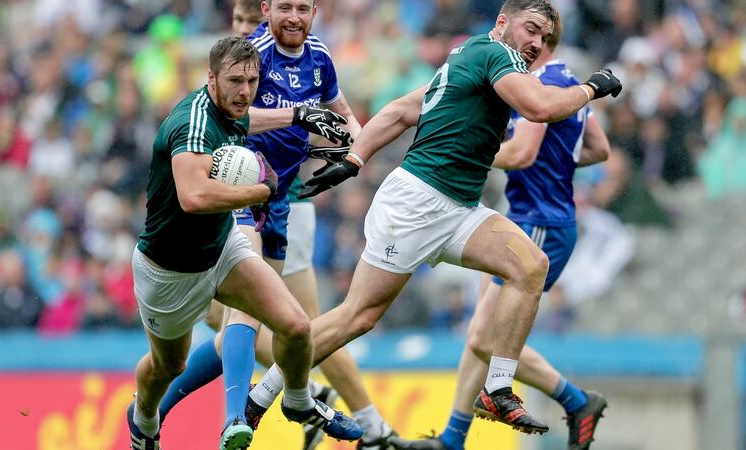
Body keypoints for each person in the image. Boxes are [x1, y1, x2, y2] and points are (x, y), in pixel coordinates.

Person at [252, 0, 622, 437]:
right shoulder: (495, 54)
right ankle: (261, 396)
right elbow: (539, 108)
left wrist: (354, 158)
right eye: (531, 29)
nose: (537, 42)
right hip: (417, 205)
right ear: (502, 22)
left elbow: (402, 110)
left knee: (529, 265)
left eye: (544, 36)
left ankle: (497, 389)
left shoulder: (471, 57)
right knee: (357, 317)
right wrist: (592, 87)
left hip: (459, 208)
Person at [157, 2, 397, 449]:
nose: (293, 17)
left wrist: (351, 153)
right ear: (267, 9)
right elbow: (228, 117)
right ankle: (240, 416)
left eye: (302, 8)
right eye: (284, 6)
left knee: (274, 324)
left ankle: (155, 410)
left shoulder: (319, 56)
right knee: (252, 312)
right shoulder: (253, 56)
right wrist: (298, 116)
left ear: (315, 11)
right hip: (238, 191)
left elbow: (344, 117)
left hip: (279, 199)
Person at [387, 15, 612, 450]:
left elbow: (523, 153)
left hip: (540, 220)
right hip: (535, 216)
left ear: (540, 41)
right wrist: (558, 158)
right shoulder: (565, 81)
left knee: (485, 338)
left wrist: (466, 151)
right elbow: (597, 149)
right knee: (480, 336)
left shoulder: (542, 83)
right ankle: (453, 438)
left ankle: (578, 401)